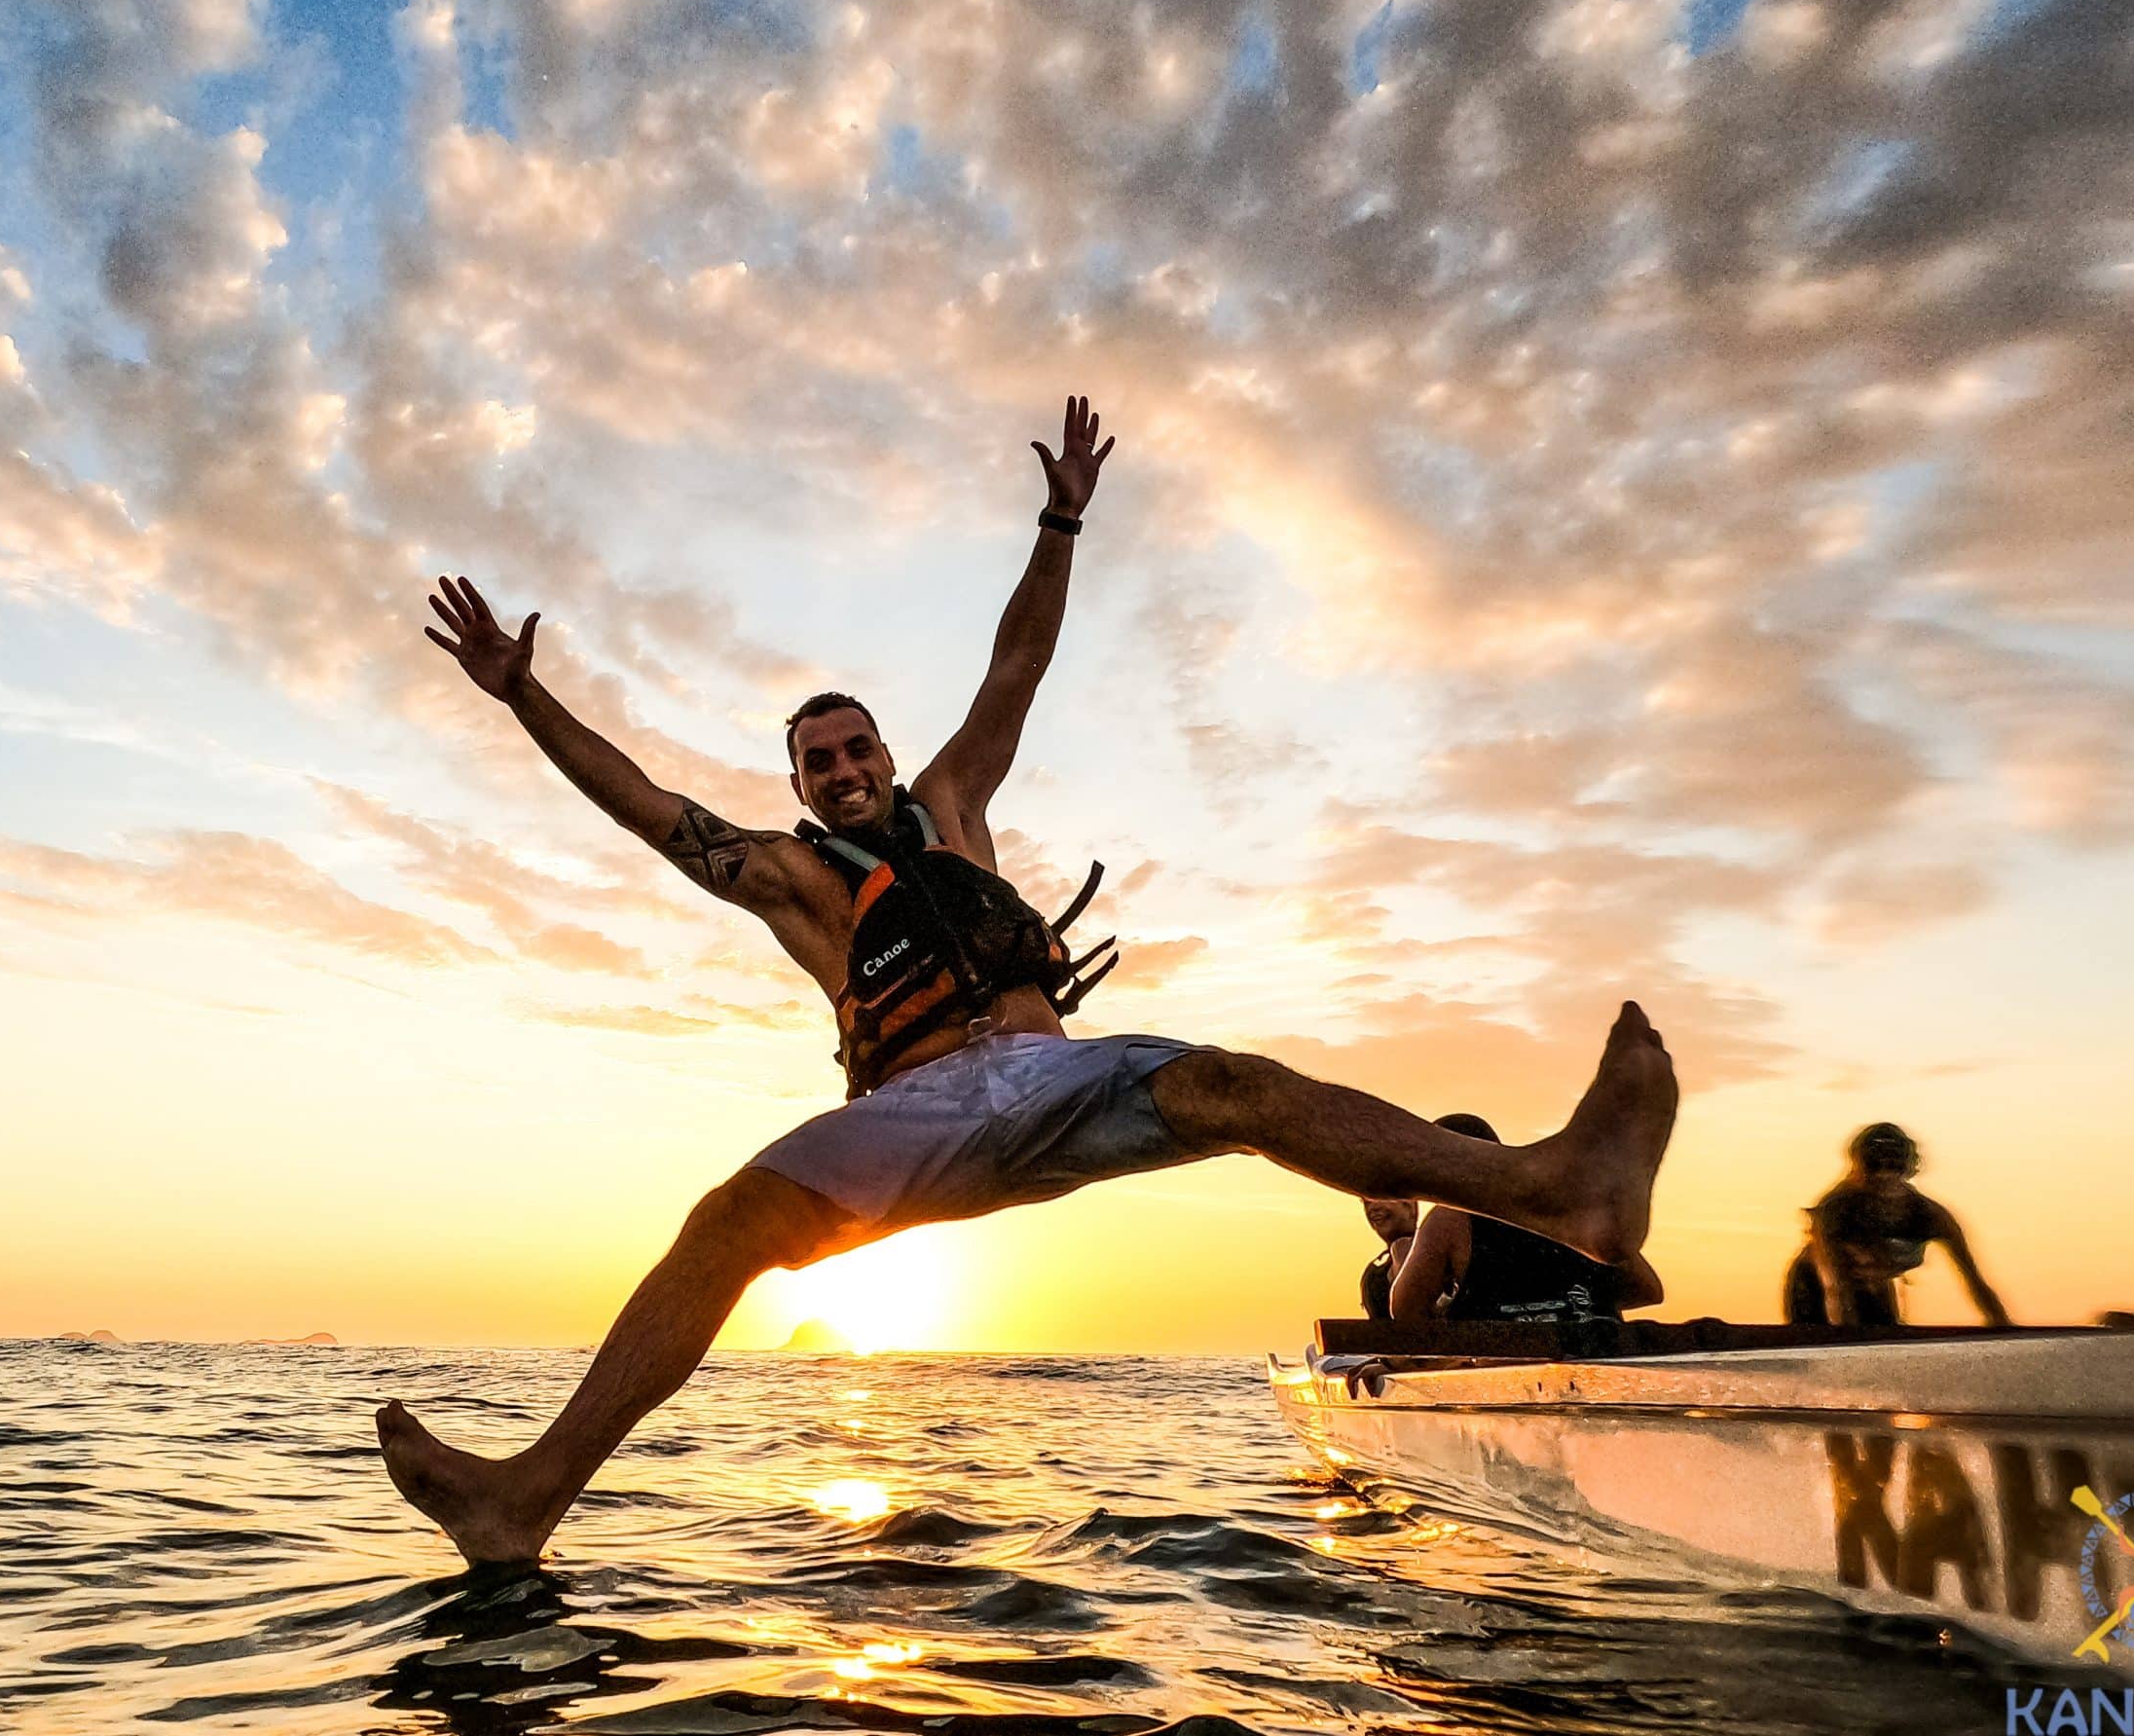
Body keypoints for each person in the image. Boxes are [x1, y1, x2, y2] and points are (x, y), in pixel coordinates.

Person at [379, 394, 1682, 1566]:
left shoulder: (953, 801)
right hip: (918, 1109)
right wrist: (523, 699)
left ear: (885, 754)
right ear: (797, 787)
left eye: (855, 749)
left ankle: (1561, 1191)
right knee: (730, 1222)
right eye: (816, 762)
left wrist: (1060, 522)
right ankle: (526, 1494)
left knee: (1231, 1080)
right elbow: (646, 806)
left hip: (1056, 1077)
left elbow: (1018, 665)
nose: (841, 770)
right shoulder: (792, 875)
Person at [1390, 1114, 1666, 1324]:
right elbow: (1647, 1290)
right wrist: (1571, 1306)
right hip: (1596, 1357)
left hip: (1507, 1371)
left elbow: (1405, 1311)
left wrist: (1404, 1256)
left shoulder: (1450, 1217)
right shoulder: (1572, 1207)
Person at [1781, 1123, 2009, 1328]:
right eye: (1874, 1166)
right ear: (1858, 1169)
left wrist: (2005, 1331)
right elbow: (1836, 1289)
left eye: (1893, 1165)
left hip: (1875, 1286)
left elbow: (1977, 1283)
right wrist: (1847, 1347)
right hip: (1814, 1285)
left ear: (1908, 1169)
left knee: (1882, 1332)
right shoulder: (1836, 1210)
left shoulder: (1931, 1216)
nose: (1884, 1177)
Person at [1358, 1197, 1418, 1321]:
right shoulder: (1374, 1271)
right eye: (1366, 1202)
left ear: (1409, 1205)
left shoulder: (1435, 1256)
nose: (1373, 1208)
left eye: (1380, 1197)